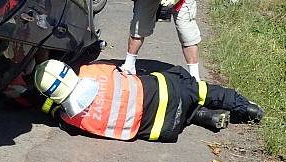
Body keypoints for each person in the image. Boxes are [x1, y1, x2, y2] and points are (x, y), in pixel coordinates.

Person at [31, 59, 264, 142]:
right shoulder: (93, 72)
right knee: (199, 88)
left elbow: (52, 110)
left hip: (162, 130)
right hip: (169, 90)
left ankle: (201, 116)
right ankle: (247, 108)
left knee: (170, 111)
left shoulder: (70, 120)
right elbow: (126, 73)